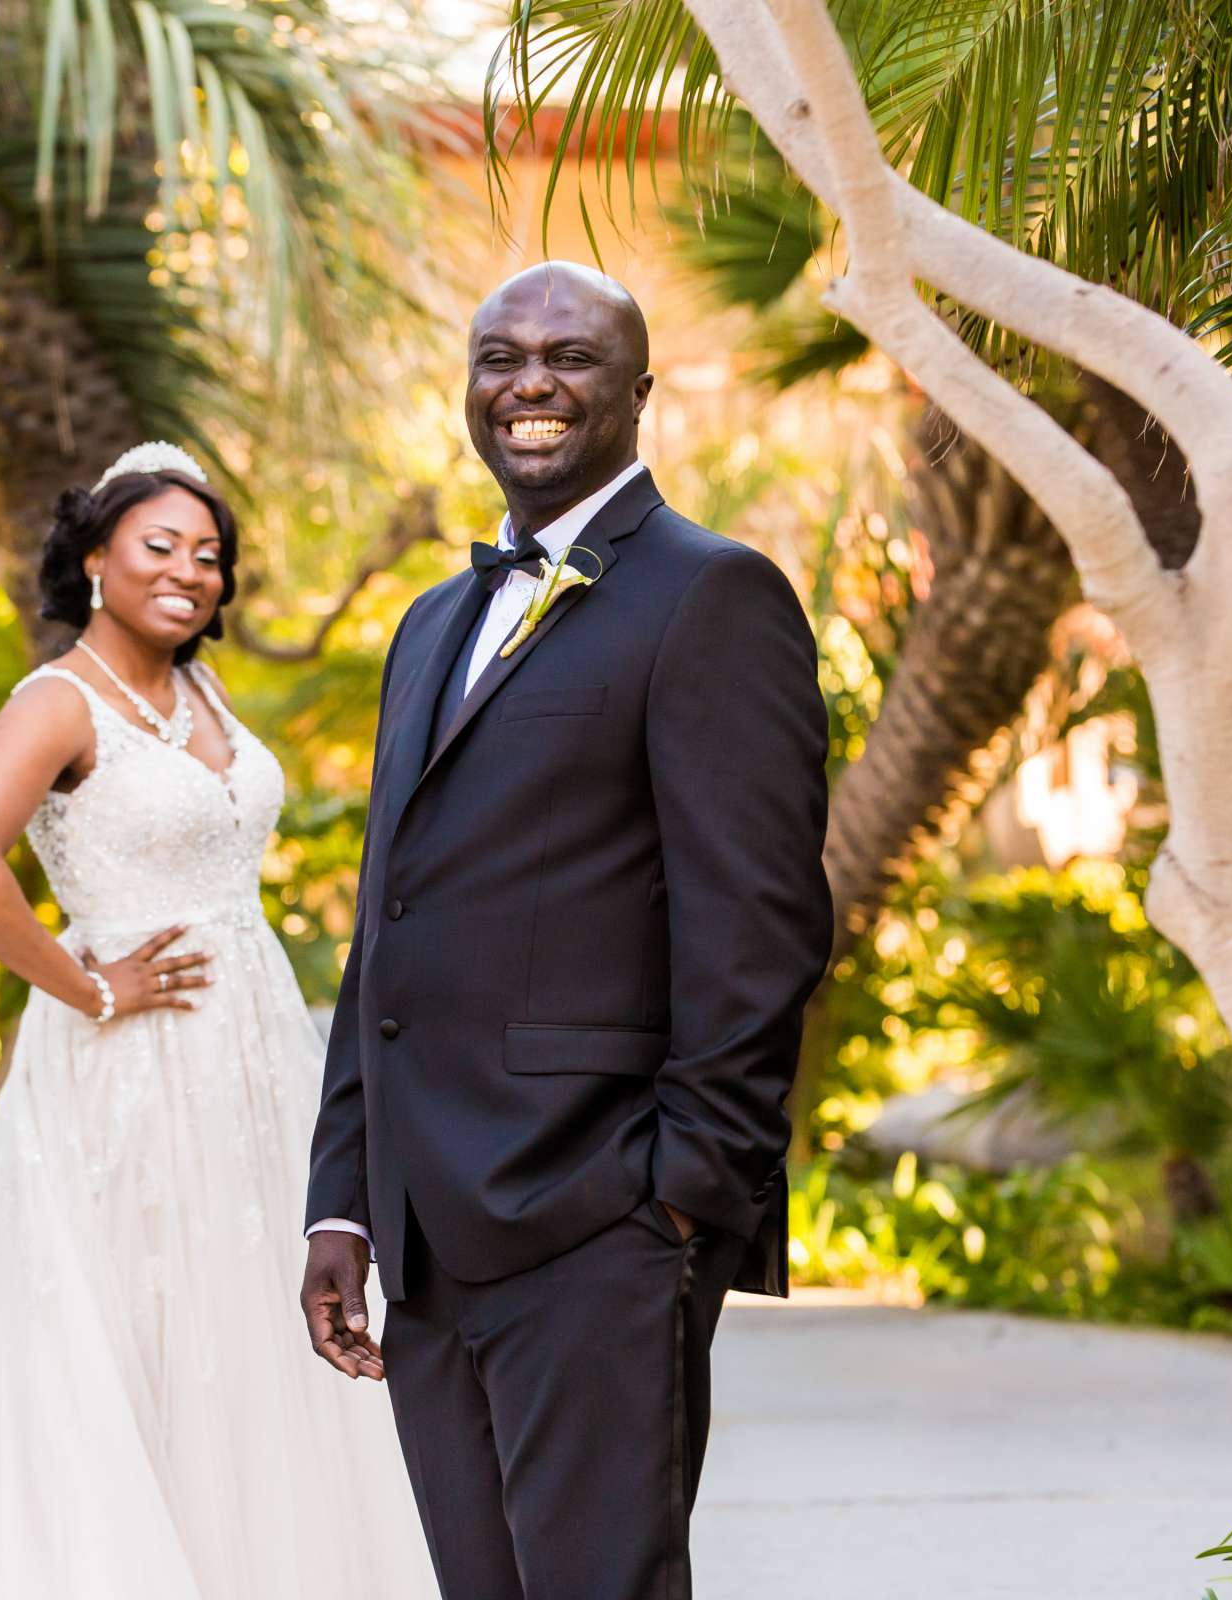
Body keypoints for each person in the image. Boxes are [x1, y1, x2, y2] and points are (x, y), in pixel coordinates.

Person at [0, 443, 434, 1599]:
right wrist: (92, 984)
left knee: (251, 1327)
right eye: (160, 546)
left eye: (210, 555)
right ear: (92, 559)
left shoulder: (200, 691)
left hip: (255, 1050)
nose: (190, 571)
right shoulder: (58, 701)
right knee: (141, 1327)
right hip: (131, 1062)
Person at [300, 264, 834, 1599]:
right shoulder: (431, 624)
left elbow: (758, 924)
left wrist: (682, 1199)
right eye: (500, 356)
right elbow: (389, 923)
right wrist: (345, 1200)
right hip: (428, 1237)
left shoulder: (713, 596)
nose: (529, 383)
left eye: (570, 356)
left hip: (600, 1224)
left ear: (640, 392)